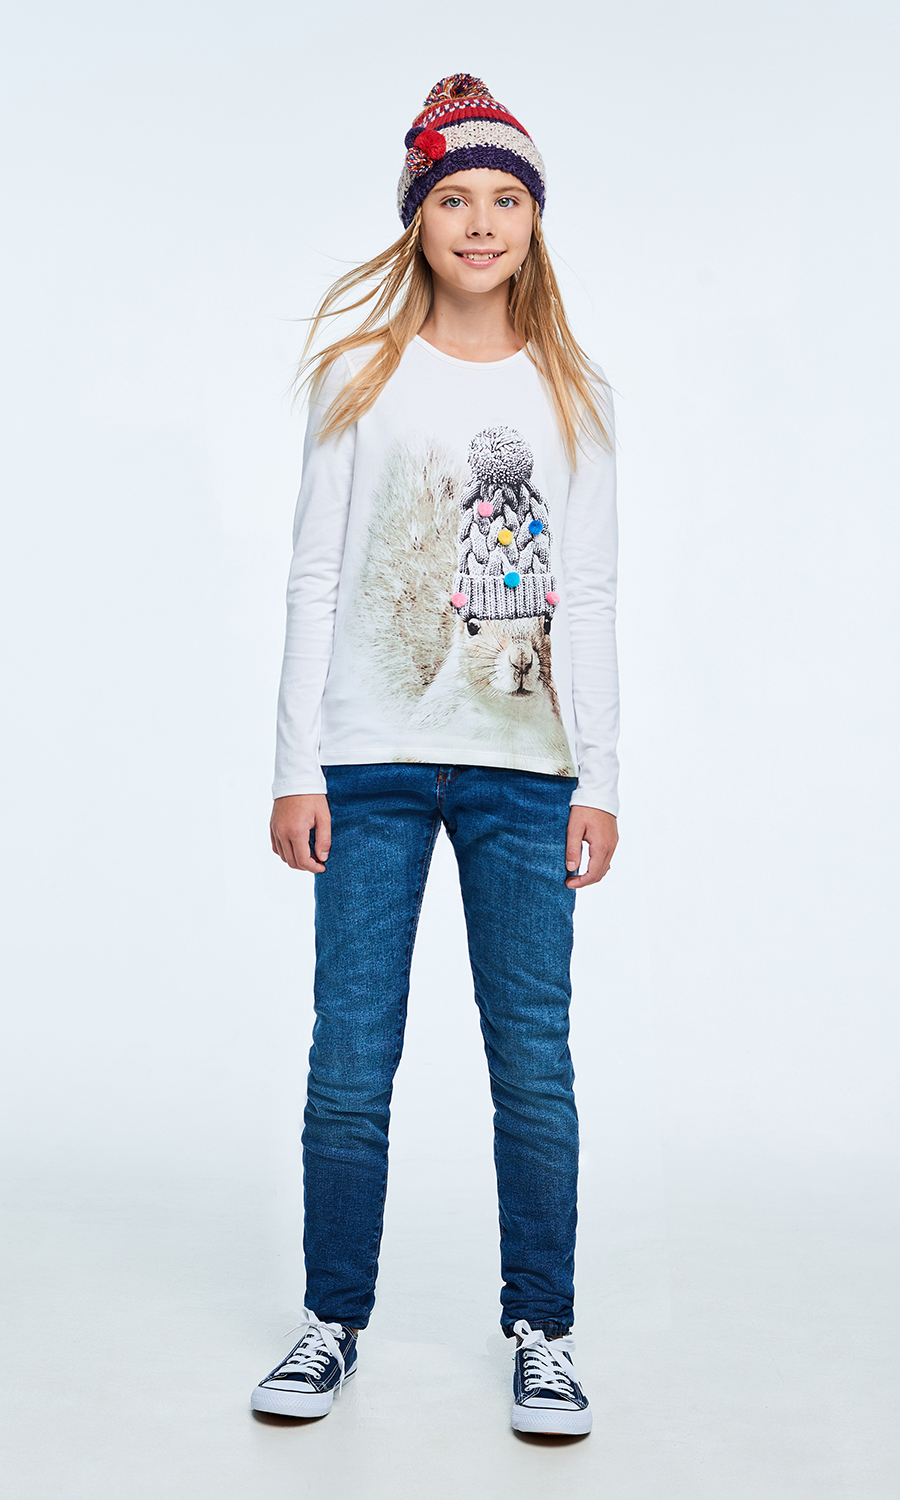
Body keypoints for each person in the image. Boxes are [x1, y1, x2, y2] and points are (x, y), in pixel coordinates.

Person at [250, 74, 619, 1437]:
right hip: (370, 767)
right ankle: (330, 1320)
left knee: (532, 1056)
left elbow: (591, 594)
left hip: (527, 775)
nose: (479, 222)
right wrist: (296, 764)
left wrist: (602, 778)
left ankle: (543, 1330)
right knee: (352, 1055)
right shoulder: (362, 377)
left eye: (504, 199)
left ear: (534, 220)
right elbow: (313, 576)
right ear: (416, 217)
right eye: (453, 197)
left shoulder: (575, 394)